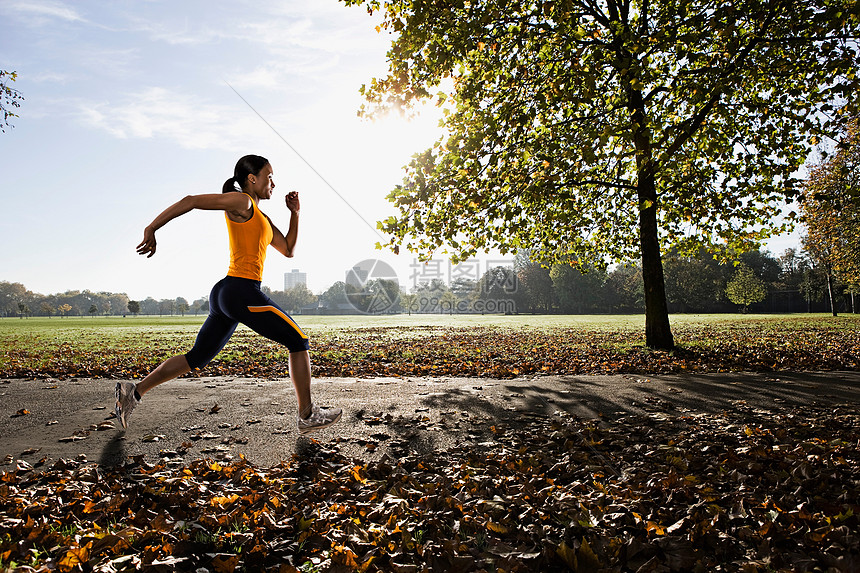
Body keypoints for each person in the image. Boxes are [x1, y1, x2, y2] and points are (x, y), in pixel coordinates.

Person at [115, 154, 341, 435]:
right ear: (252, 179)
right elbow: (191, 201)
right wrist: (152, 227)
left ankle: (132, 393)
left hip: (228, 293)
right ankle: (306, 414)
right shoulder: (243, 202)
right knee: (298, 339)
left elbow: (288, 249)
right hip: (240, 290)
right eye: (269, 176)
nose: (273, 182)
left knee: (196, 357)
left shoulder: (263, 218)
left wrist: (295, 213)